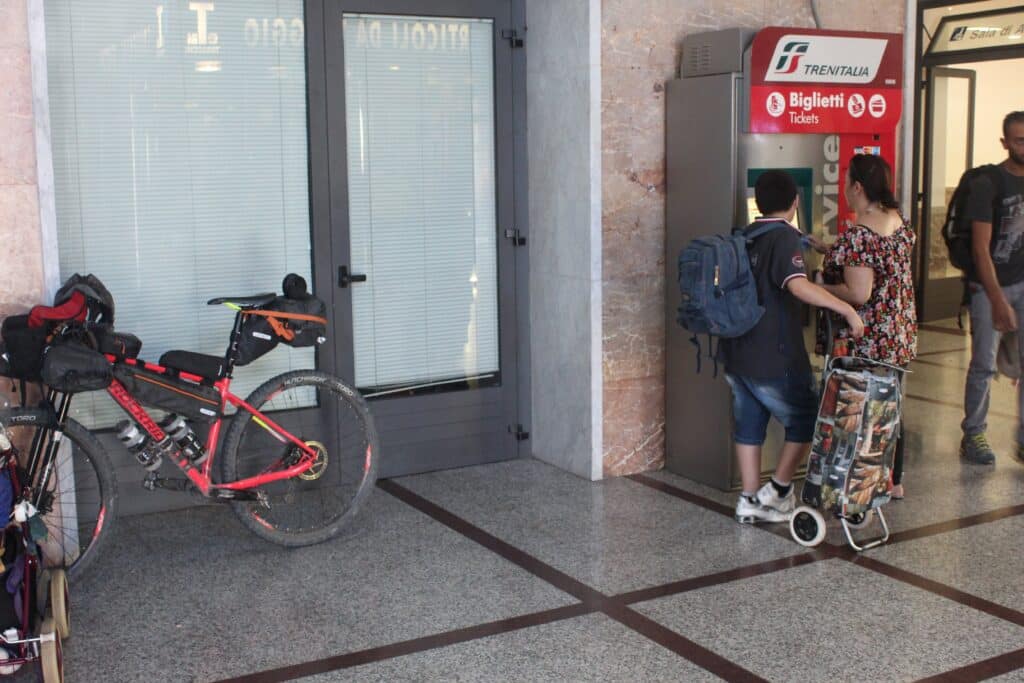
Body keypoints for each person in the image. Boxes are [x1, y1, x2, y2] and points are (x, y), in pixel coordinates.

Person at [721, 170, 864, 524]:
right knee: (806, 418)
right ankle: (779, 489)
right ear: (795, 203)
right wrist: (846, 308)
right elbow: (796, 285)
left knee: (749, 424)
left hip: (737, 353)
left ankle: (750, 499)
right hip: (775, 354)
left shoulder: (745, 236)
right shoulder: (784, 238)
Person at [809, 153, 917, 499]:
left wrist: (818, 285)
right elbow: (880, 265)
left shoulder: (859, 234)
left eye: (845, 182)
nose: (843, 189)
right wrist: (829, 248)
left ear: (857, 187)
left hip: (869, 336)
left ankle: (862, 485)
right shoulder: (898, 220)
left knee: (865, 409)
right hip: (899, 329)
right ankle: (893, 480)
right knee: (891, 404)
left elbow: (859, 291)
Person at [959, 111, 1024, 465]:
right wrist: (998, 300)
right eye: (1019, 141)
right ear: (1005, 143)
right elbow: (980, 249)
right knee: (984, 363)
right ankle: (974, 434)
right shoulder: (990, 184)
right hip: (988, 287)